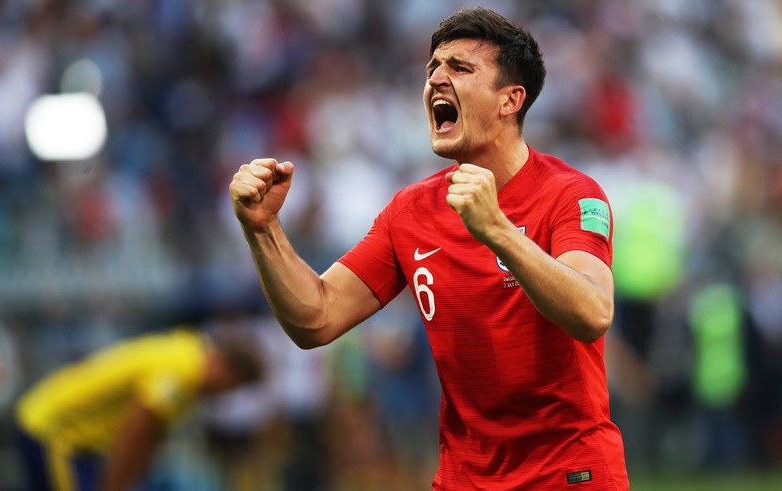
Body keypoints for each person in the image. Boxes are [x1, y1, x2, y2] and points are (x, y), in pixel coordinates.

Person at [230, 7, 628, 490]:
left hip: (568, 473)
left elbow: (593, 311)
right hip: (464, 478)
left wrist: (498, 231)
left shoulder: (572, 194)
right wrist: (263, 228)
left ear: (510, 100)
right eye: (432, 68)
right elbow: (317, 317)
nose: (436, 78)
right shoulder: (411, 211)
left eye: (459, 68)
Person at [13, 326, 263, 491]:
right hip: (54, 432)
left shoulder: (188, 351)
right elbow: (136, 427)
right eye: (233, 386)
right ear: (226, 369)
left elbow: (151, 435)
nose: (225, 395)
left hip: (71, 438)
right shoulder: (183, 370)